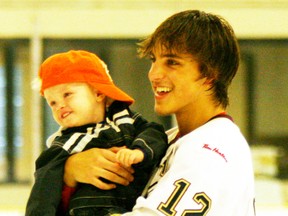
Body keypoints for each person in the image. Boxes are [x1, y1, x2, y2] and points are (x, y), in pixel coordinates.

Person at [63, 10, 256, 215]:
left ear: (208, 74)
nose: (154, 74)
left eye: (172, 62)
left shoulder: (210, 150)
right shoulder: (174, 139)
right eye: (153, 60)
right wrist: (71, 171)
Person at [25, 50, 168, 216]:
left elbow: (154, 132)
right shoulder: (65, 143)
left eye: (67, 94)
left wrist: (139, 151)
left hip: (135, 205)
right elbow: (43, 189)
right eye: (53, 102)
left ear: (99, 93)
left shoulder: (124, 119)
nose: (60, 106)